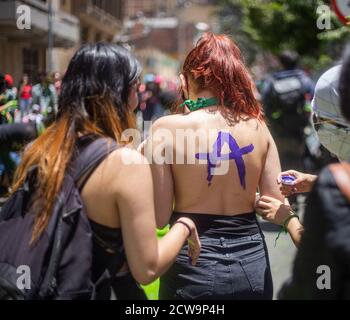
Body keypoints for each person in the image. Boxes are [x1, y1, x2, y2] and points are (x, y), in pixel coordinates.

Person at [9, 43, 201, 300]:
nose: (138, 96)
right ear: (123, 94)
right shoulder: (125, 165)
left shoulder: (38, 149)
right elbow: (148, 267)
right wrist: (185, 225)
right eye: (135, 87)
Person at [144, 33, 284, 300]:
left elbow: (160, 216)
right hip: (251, 261)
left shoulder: (166, 128)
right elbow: (273, 203)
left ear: (185, 81)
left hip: (192, 260)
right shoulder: (258, 127)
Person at [256, 49, 350, 299]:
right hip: (299, 136)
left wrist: (289, 219)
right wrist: (313, 181)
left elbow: (317, 271)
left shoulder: (336, 186)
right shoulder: (304, 80)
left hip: (283, 135)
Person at [262, 50, 315, 171]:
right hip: (300, 124)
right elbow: (313, 99)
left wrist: (273, 122)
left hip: (281, 126)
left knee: (284, 158)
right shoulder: (303, 79)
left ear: (281, 63)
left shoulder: (272, 81)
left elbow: (266, 104)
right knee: (303, 154)